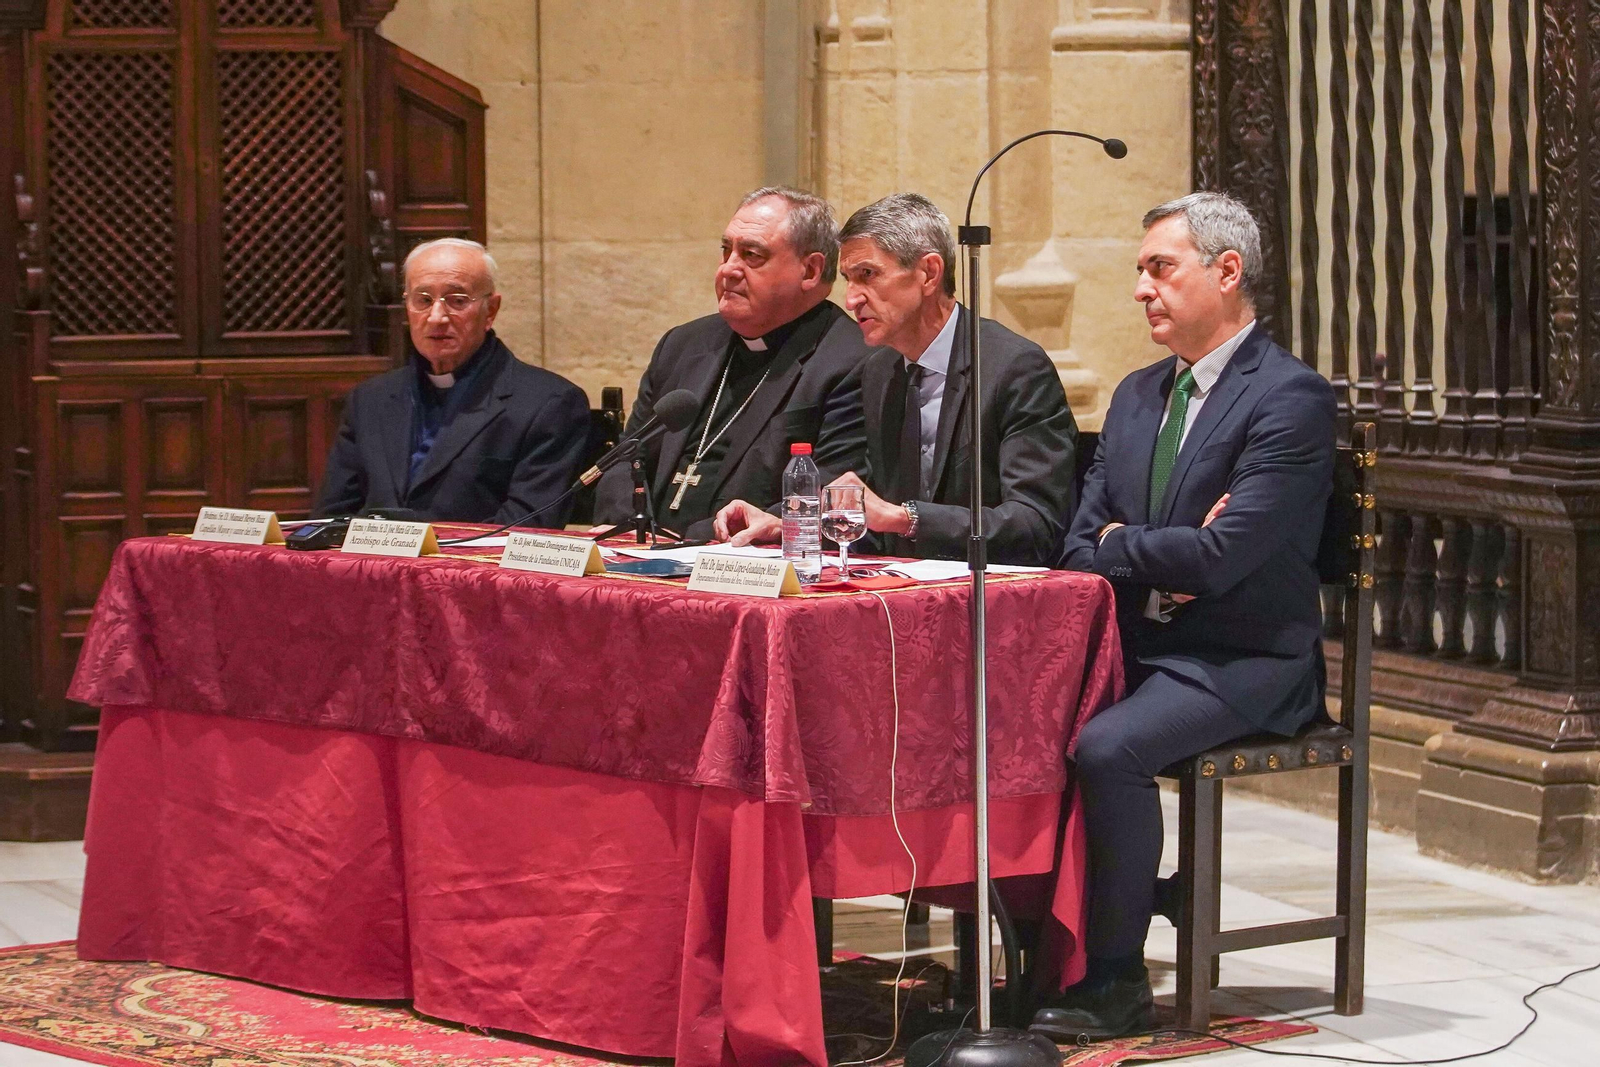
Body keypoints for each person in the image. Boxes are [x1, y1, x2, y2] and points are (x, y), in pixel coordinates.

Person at [1035, 192, 1337, 1039]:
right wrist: (1153, 543)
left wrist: (1127, 541)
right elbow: (1075, 547)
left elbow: (1225, 558)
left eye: (1159, 267)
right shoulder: (1136, 396)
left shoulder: (1289, 397)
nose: (1140, 288)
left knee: (1108, 746)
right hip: (1143, 642)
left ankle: (1118, 977)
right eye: (1140, 270)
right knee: (1011, 719)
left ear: (1226, 271)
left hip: (1244, 658)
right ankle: (1040, 946)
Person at [713, 193, 1076, 566]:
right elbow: (871, 514)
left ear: (928, 274)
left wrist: (907, 519)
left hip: (995, 598)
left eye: (868, 275)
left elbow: (1037, 524)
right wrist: (789, 523)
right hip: (902, 595)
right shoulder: (878, 370)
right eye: (848, 280)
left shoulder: (1012, 367)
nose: (852, 299)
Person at [593, 187, 872, 540]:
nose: (728, 269)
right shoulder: (682, 345)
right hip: (642, 555)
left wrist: (689, 542)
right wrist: (627, 528)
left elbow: (830, 494)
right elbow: (628, 456)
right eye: (726, 251)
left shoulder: (853, 360)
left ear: (811, 270)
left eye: (751, 255)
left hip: (743, 568)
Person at [315, 238, 591, 525]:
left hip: (472, 569)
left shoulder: (549, 403)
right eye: (423, 300)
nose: (436, 317)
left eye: (457, 301)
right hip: (373, 567)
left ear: (491, 310)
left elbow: (527, 529)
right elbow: (333, 518)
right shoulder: (370, 399)